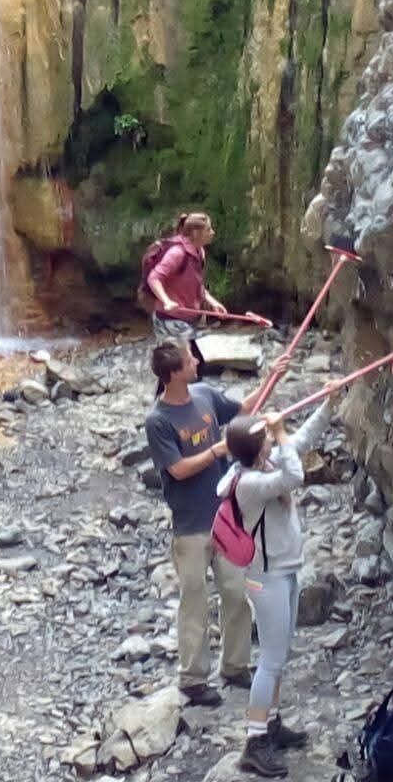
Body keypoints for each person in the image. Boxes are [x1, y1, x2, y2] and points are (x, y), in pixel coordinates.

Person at [217, 402, 333, 778]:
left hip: (284, 571)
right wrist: (280, 433)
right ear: (259, 449)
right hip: (265, 579)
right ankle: (254, 741)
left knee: (281, 654)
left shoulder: (260, 465)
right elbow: (294, 476)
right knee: (270, 660)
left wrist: (332, 400)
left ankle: (272, 723)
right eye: (267, 438)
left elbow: (298, 443)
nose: (273, 439)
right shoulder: (250, 484)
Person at [145, 338, 260, 706]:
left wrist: (275, 376)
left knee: (236, 592)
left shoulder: (206, 394)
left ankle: (235, 666)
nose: (196, 360)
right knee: (194, 601)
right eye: (189, 359)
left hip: (225, 517)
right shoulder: (158, 420)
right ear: (174, 373)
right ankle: (193, 679)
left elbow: (244, 409)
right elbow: (177, 470)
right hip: (191, 526)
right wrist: (215, 450)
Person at [147, 213, 226, 343]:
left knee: (192, 362)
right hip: (169, 320)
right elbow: (153, 278)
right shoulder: (177, 253)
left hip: (187, 321)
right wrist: (166, 301)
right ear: (195, 233)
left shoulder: (199, 252)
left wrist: (213, 303)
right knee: (186, 362)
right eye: (208, 229)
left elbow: (196, 284)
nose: (212, 232)